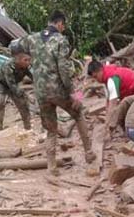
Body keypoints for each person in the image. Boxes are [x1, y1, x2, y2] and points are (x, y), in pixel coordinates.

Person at [17, 10, 95, 175]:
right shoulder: (61, 40)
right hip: (59, 90)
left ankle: (51, 167)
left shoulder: (32, 38)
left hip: (40, 92)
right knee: (79, 112)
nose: (63, 28)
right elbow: (64, 70)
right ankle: (89, 153)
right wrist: (74, 94)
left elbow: (15, 46)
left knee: (51, 129)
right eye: (63, 25)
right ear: (59, 23)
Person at [87, 60, 134, 136]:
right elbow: (109, 100)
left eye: (96, 76)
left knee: (123, 112)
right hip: (131, 92)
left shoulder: (111, 79)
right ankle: (126, 132)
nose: (96, 80)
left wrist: (107, 124)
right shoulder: (107, 74)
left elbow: (113, 104)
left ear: (100, 70)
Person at [0, 42, 33, 131]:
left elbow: (34, 77)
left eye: (29, 60)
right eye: (25, 60)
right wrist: (26, 95)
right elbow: (12, 86)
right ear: (17, 59)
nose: (28, 62)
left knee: (23, 104)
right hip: (1, 83)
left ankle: (28, 128)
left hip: (13, 84)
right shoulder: (8, 66)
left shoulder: (27, 66)